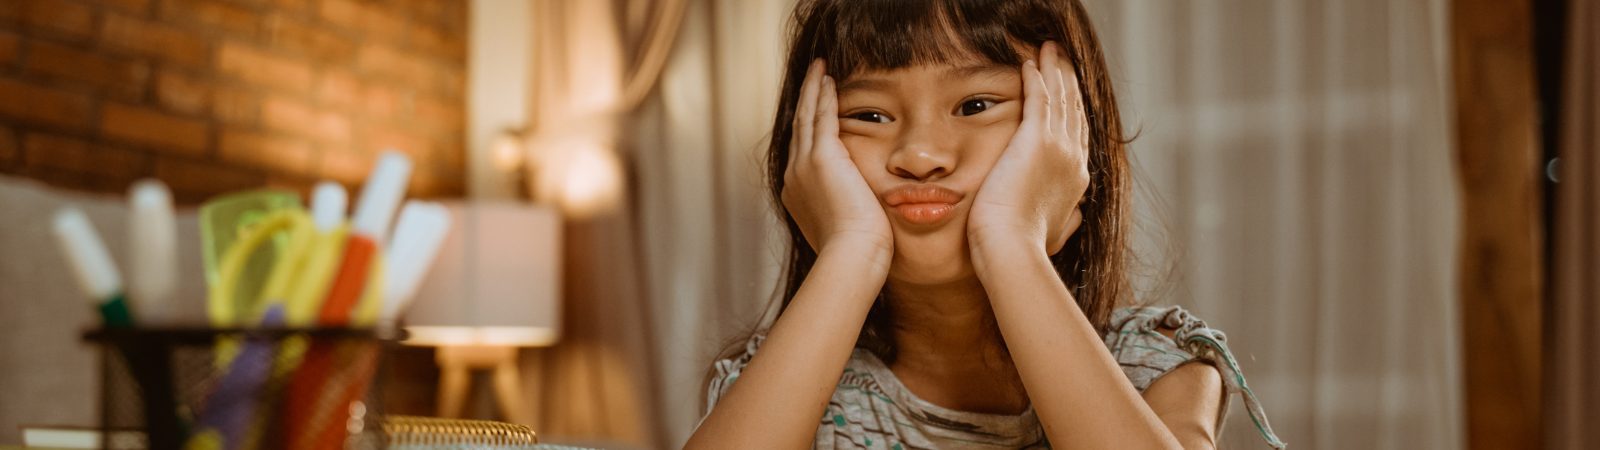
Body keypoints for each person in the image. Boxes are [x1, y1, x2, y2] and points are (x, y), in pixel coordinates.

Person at [686, 0, 1285, 448]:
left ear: (1071, 139)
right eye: (869, 115)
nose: (920, 156)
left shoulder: (1156, 363)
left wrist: (1010, 246)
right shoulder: (783, 376)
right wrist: (851, 251)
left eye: (975, 106)